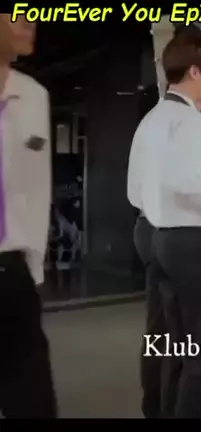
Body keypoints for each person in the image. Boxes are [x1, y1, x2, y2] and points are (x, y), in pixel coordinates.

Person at [131, 29, 201, 418]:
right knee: (200, 351)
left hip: (155, 235)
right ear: (195, 71)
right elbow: (191, 185)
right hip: (188, 240)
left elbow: (135, 188)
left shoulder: (152, 118)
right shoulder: (188, 119)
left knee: (168, 342)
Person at [0, 13, 58, 418]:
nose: (31, 21)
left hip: (12, 270)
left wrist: (33, 265)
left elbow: (38, 188)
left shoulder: (33, 95)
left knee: (33, 401)